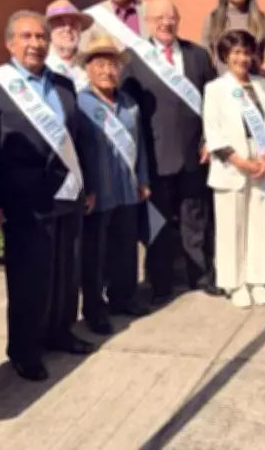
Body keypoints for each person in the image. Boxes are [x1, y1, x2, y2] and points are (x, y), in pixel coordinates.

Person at [0, 10, 95, 382]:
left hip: (67, 192)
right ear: (10, 43)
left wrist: (87, 184)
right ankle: (25, 349)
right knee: (29, 279)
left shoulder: (63, 84)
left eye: (41, 37)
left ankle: (60, 331)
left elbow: (76, 139)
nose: (36, 43)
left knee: (66, 272)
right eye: (27, 36)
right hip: (23, 201)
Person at [91, 0, 219, 301]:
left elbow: (212, 102)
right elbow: (125, 108)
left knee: (195, 219)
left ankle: (199, 275)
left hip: (194, 153)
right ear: (147, 23)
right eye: (159, 18)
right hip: (155, 156)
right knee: (158, 224)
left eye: (170, 17)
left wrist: (209, 140)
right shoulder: (135, 59)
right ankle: (160, 283)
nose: (165, 23)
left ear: (178, 20)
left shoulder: (198, 56)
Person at [75, 35, 152, 335]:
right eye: (100, 64)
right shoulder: (80, 103)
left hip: (127, 189)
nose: (107, 71)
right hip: (98, 192)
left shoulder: (129, 104)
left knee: (126, 248)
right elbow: (75, 151)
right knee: (95, 254)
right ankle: (95, 309)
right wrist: (84, 189)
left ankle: (124, 297)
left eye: (112, 64)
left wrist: (143, 179)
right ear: (88, 68)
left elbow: (139, 144)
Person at [203, 30, 265, 308]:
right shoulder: (215, 88)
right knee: (231, 225)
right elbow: (213, 131)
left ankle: (258, 280)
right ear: (225, 56)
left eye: (246, 52)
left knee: (260, 222)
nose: (242, 58)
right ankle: (234, 283)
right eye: (236, 52)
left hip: (262, 160)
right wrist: (241, 162)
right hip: (232, 164)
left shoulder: (262, 85)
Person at [44, 0, 94, 90]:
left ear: (80, 30)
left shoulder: (90, 62)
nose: (68, 28)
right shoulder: (41, 62)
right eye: (61, 23)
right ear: (49, 29)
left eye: (73, 24)